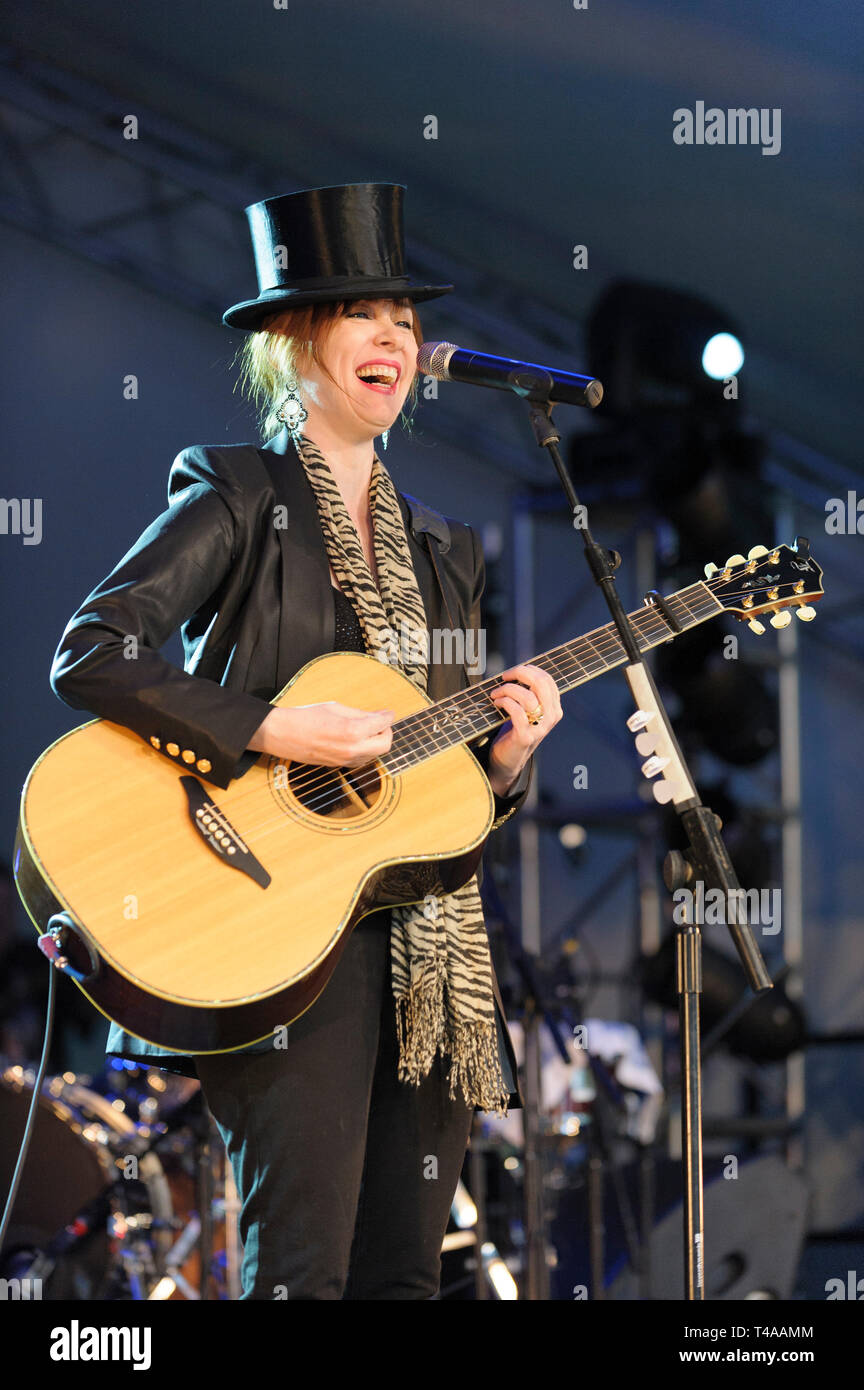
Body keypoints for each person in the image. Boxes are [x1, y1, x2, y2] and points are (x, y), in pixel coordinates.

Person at [50, 182, 562, 1299]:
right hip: (278, 924)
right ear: (294, 343)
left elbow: (442, 789)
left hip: (430, 944)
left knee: (405, 1279)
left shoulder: (447, 550)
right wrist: (275, 725)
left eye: (407, 319)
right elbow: (91, 650)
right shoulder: (235, 494)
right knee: (304, 1274)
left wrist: (508, 761)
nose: (393, 336)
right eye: (360, 314)